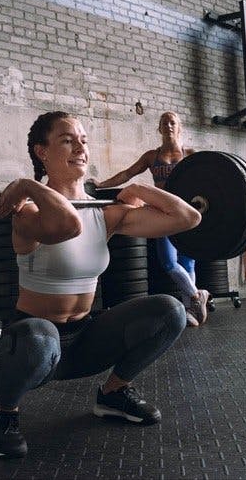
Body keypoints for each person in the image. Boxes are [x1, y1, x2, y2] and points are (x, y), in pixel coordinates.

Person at [0, 111, 201, 459]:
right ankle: (3, 415)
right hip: (35, 346)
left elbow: (188, 217)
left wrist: (140, 188)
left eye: (83, 141)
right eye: (67, 140)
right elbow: (68, 225)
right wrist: (28, 186)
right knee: (38, 335)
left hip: (86, 341)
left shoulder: (104, 213)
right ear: (42, 152)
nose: (80, 148)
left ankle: (113, 393)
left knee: (171, 311)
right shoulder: (26, 212)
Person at [88, 111, 210, 327]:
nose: (168, 125)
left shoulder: (190, 154)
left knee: (187, 262)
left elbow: (210, 178)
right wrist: (102, 184)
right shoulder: (151, 157)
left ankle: (191, 308)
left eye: (172, 122)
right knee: (168, 262)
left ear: (179, 127)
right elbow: (127, 174)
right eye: (164, 123)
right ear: (159, 128)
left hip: (185, 212)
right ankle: (196, 295)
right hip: (161, 214)